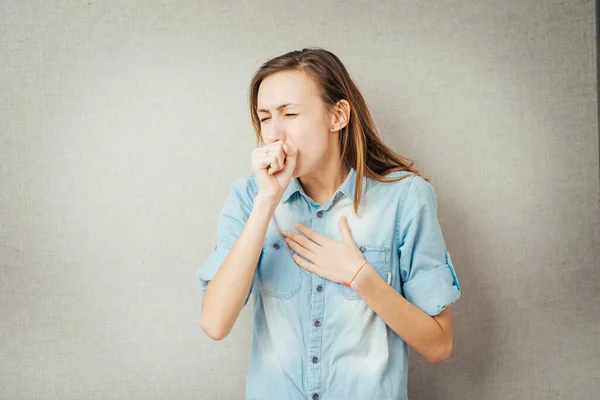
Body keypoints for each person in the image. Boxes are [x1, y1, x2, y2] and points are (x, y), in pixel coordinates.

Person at [197, 47, 461, 400]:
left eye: (289, 113)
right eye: (264, 118)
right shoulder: (249, 196)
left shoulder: (405, 198)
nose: (274, 133)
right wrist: (266, 203)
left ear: (337, 115)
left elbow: (438, 344)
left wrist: (361, 277)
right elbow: (215, 323)